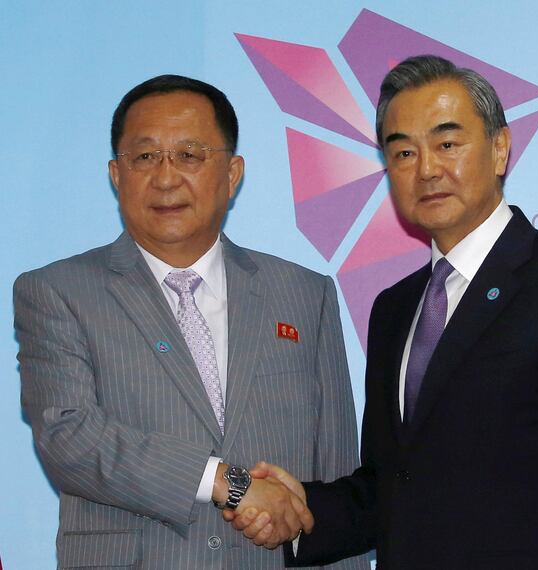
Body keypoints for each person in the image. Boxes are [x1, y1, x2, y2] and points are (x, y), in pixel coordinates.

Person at [231, 55, 538, 569]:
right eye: (403, 152)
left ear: (499, 149)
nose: (426, 169)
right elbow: (390, 487)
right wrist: (301, 511)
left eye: (447, 144)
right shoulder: (395, 309)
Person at [14, 75, 368, 569]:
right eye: (144, 157)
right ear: (117, 174)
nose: (165, 177)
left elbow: (336, 484)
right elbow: (69, 437)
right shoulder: (58, 292)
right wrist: (227, 481)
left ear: (232, 173)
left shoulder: (305, 294)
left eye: (189, 155)